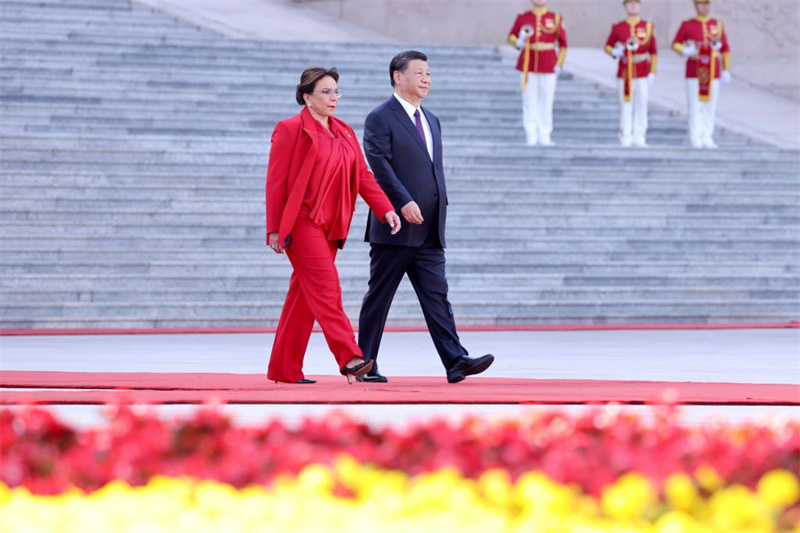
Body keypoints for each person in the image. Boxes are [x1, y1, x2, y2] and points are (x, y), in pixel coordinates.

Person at [356, 50, 495, 384]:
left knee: (437, 295)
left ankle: (455, 361)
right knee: (380, 296)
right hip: (396, 225)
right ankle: (363, 362)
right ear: (397, 76)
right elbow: (380, 164)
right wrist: (402, 201)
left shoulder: (432, 119)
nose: (425, 79)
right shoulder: (380, 117)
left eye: (429, 74)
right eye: (418, 73)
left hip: (431, 227)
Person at [265, 67, 402, 385]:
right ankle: (350, 357)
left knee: (303, 298)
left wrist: (385, 210)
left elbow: (363, 177)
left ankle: (284, 369)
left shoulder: (345, 132)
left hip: (332, 226)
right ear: (307, 97)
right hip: (301, 224)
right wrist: (274, 227)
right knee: (327, 290)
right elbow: (276, 181)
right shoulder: (289, 129)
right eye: (325, 92)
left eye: (336, 92)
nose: (333, 98)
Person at [507, 0, 568, 146]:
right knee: (529, 101)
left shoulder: (556, 18)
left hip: (548, 64)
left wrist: (559, 64)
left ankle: (545, 136)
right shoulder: (523, 17)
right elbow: (511, 36)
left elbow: (563, 44)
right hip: (528, 64)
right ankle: (531, 136)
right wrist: (519, 41)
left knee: (547, 101)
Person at [672, 0, 731, 149]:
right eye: (702, 4)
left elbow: (725, 48)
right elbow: (675, 43)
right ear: (696, 6)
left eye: (707, 4)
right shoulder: (688, 25)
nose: (705, 7)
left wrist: (726, 69)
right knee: (695, 105)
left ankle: (707, 136)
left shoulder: (717, 25)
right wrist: (685, 50)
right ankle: (695, 137)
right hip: (695, 69)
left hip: (712, 70)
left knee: (710, 105)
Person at [604, 0, 657, 147]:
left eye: (635, 3)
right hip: (625, 71)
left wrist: (652, 71)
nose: (633, 6)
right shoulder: (618, 27)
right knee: (625, 105)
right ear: (625, 6)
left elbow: (653, 52)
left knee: (642, 104)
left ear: (640, 5)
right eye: (629, 3)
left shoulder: (647, 27)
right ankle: (625, 135)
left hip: (642, 71)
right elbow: (608, 46)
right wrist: (614, 51)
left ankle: (639, 137)